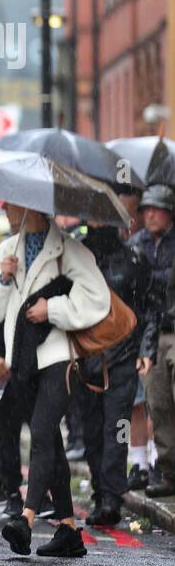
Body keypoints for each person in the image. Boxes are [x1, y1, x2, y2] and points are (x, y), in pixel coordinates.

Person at [0, 201, 111, 557]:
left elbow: (98, 300)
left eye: (11, 203)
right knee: (50, 439)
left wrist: (51, 309)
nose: (5, 207)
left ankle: (26, 519)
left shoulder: (69, 250)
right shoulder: (6, 250)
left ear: (31, 208)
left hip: (58, 358)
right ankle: (68, 530)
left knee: (39, 432)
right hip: (22, 360)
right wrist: (4, 279)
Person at [78, 212, 157, 525]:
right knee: (92, 430)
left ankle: (111, 497)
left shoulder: (132, 259)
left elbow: (149, 307)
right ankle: (101, 491)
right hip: (86, 357)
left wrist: (145, 350)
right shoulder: (77, 256)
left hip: (122, 356)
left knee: (116, 428)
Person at [130, 183, 175, 498]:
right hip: (150, 330)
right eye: (145, 209)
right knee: (157, 403)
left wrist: (152, 280)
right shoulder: (136, 245)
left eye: (156, 208)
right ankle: (170, 474)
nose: (150, 214)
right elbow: (135, 289)